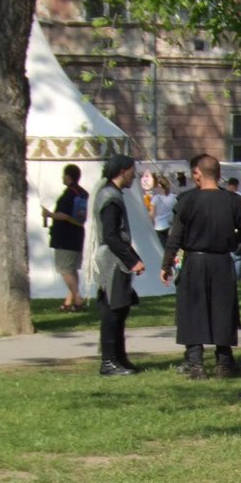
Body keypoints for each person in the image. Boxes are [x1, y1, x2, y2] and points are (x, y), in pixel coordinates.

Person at [161, 153, 241, 378]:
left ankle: (196, 363)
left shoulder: (188, 201)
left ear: (198, 174)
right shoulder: (232, 200)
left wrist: (167, 263)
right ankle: (223, 361)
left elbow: (176, 236)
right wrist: (234, 241)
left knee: (194, 309)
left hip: (196, 260)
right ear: (219, 175)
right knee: (222, 309)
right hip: (221, 260)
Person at [91, 154, 145, 376]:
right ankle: (109, 361)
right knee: (113, 311)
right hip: (112, 261)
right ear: (122, 171)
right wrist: (132, 260)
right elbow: (111, 235)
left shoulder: (112, 194)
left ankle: (119, 358)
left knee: (120, 309)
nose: (135, 175)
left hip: (117, 259)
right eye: (132, 171)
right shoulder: (110, 197)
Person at [42, 163, 88, 310]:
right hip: (78, 235)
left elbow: (63, 215)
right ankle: (69, 302)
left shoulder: (69, 194)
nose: (62, 177)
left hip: (65, 236)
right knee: (72, 269)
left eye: (64, 175)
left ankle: (78, 299)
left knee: (65, 269)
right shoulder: (82, 193)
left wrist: (49, 214)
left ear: (68, 176)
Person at [149, 173, 176, 250]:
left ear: (159, 186)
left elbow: (151, 214)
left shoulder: (155, 198)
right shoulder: (174, 197)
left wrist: (151, 224)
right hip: (171, 225)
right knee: (171, 248)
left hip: (158, 226)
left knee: (161, 248)